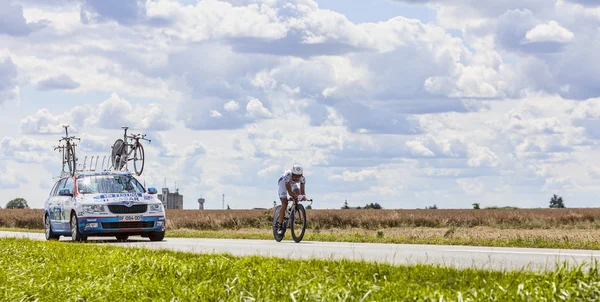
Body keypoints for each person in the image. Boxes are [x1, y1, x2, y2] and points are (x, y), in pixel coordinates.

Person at [275, 164, 307, 234]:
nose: (297, 178)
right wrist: (298, 196)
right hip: (283, 183)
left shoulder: (302, 179)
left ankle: (292, 209)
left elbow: (302, 192)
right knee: (285, 203)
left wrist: (303, 196)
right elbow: (290, 192)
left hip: (292, 184)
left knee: (298, 195)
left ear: (301, 175)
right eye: (295, 175)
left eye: (299, 176)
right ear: (292, 173)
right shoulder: (287, 175)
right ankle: (279, 225)